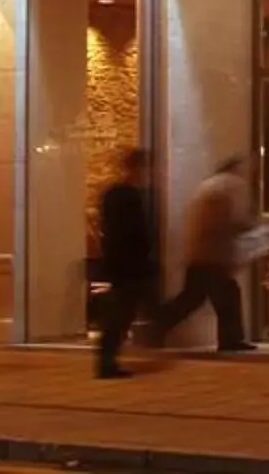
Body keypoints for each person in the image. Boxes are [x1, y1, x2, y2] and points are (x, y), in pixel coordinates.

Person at [154, 154, 256, 353]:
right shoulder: (222, 189)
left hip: (201, 254)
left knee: (193, 298)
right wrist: (246, 227)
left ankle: (158, 324)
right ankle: (230, 340)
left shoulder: (208, 187)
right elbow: (222, 223)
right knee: (226, 296)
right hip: (212, 256)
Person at [96, 146, 158, 380]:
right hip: (127, 266)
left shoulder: (115, 194)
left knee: (120, 315)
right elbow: (131, 233)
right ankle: (106, 363)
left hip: (121, 264)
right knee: (119, 316)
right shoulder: (127, 195)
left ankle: (107, 361)